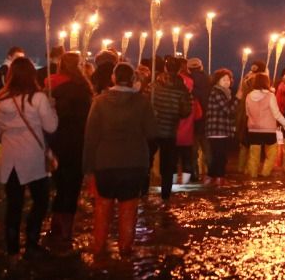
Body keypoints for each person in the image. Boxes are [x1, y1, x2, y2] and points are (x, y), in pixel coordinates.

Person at [82, 63, 156, 257]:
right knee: (128, 208)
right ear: (133, 79)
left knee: (102, 206)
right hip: (134, 162)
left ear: (113, 78)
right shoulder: (143, 102)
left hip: (105, 162)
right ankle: (125, 250)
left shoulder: (99, 101)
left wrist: (88, 168)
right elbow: (152, 132)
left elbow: (90, 137)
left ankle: (98, 249)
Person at [0, 57, 58, 260]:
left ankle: (12, 248)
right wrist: (52, 108)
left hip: (10, 159)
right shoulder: (38, 98)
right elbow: (51, 126)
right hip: (33, 158)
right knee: (40, 201)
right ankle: (32, 242)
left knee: (14, 204)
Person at [45, 52, 94, 247]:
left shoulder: (53, 85)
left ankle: (56, 223)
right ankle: (66, 228)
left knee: (60, 184)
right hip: (78, 142)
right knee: (72, 186)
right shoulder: (84, 88)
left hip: (58, 140)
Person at [149, 57, 192, 202]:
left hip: (152, 128)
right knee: (167, 165)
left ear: (165, 68)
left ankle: (143, 190)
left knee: (147, 160)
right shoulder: (182, 89)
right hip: (169, 130)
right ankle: (165, 195)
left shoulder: (155, 85)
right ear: (179, 69)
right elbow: (186, 111)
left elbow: (147, 102)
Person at [244, 73, 285, 178]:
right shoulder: (270, 96)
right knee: (271, 154)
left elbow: (247, 113)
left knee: (253, 155)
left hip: (253, 130)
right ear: (267, 82)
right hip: (269, 130)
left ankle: (253, 175)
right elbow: (277, 114)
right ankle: (265, 173)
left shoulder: (248, 96)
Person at [205, 69, 238, 185]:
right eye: (223, 79)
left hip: (221, 129)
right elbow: (228, 111)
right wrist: (237, 99)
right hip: (217, 129)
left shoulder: (225, 93)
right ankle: (219, 178)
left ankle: (210, 177)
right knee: (220, 155)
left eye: (228, 80)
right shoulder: (217, 92)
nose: (227, 82)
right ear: (217, 81)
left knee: (219, 155)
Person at [186, 58, 211, 182]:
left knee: (193, 150)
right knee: (208, 149)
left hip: (193, 121)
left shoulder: (187, 82)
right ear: (201, 67)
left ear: (188, 69)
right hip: (207, 120)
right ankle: (212, 173)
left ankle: (194, 174)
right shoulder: (209, 80)